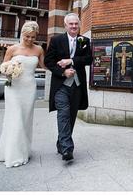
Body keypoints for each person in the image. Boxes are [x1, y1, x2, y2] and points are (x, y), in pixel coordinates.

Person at [0, 21, 46, 167]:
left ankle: (23, 150)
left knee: (25, 119)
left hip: (29, 88)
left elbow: (45, 66)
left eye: (33, 37)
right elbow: (3, 67)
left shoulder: (39, 49)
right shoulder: (12, 49)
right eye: (27, 37)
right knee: (15, 118)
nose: (30, 40)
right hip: (14, 88)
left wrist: (62, 66)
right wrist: (9, 70)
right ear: (22, 34)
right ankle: (13, 154)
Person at [44, 13, 91, 161]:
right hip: (61, 86)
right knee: (63, 113)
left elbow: (89, 59)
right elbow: (48, 62)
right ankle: (67, 149)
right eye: (71, 24)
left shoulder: (84, 41)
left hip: (77, 86)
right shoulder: (57, 40)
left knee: (71, 116)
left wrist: (70, 60)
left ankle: (61, 143)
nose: (74, 26)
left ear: (79, 25)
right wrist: (63, 72)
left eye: (76, 24)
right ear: (65, 25)